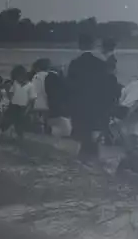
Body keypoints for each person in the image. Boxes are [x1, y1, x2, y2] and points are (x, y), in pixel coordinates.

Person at [68, 34, 112, 162]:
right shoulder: (101, 63)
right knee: (94, 129)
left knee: (83, 129)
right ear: (93, 45)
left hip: (80, 102)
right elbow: (106, 85)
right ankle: (91, 155)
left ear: (80, 45)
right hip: (96, 102)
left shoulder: (75, 63)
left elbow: (70, 86)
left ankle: (85, 154)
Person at [0, 65, 37, 138]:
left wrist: (27, 110)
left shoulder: (30, 85)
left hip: (23, 107)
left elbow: (32, 99)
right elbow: (11, 94)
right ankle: (3, 132)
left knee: (19, 123)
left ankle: (19, 136)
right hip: (13, 106)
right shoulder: (15, 84)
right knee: (7, 120)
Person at [45, 65, 71, 137]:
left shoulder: (48, 77)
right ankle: (52, 130)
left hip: (52, 103)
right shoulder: (58, 78)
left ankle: (50, 130)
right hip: (59, 105)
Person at [31, 58, 51, 133]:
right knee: (47, 121)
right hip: (47, 102)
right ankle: (47, 132)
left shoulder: (36, 77)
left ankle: (39, 132)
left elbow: (33, 90)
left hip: (37, 102)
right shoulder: (50, 75)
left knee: (38, 121)